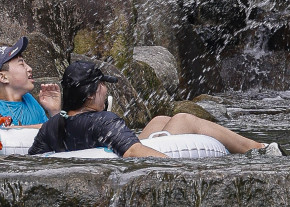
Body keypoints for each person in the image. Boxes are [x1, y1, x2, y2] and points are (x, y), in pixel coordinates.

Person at [29, 57, 272, 157]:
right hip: (115, 159)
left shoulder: (51, 125)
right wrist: (188, 171)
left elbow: (34, 159)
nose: (106, 91)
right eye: (103, 86)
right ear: (92, 94)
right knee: (185, 118)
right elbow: (134, 153)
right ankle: (260, 149)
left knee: (157, 121)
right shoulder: (103, 121)